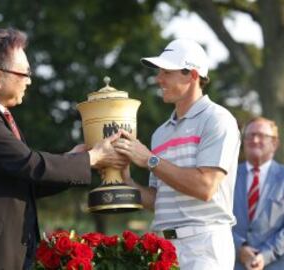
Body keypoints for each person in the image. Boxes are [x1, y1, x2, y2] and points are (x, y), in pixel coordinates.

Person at [0, 28, 127, 270]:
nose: (30, 81)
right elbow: (28, 164)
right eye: (25, 73)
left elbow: (26, 179)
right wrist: (90, 158)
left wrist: (76, 158)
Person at [114, 39, 241, 269]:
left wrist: (150, 160)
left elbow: (205, 187)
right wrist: (126, 180)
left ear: (192, 75)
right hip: (165, 248)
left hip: (204, 247)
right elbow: (157, 200)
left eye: (166, 72)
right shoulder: (160, 134)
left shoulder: (217, 120)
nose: (158, 79)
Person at [233, 117, 284, 270]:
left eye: (261, 136)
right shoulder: (227, 176)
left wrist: (266, 255)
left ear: (274, 143)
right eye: (250, 135)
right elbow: (216, 218)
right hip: (233, 263)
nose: (254, 140)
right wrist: (239, 248)